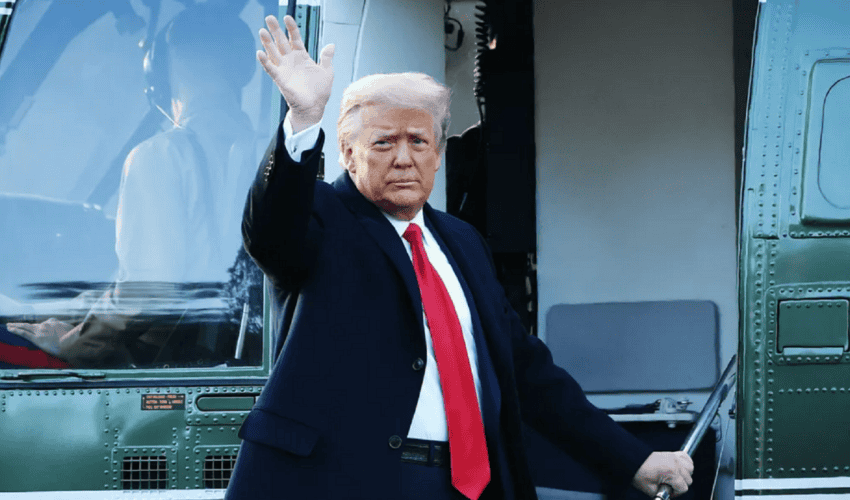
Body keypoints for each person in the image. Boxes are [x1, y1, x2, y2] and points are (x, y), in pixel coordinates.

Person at [226, 15, 694, 500]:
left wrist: (633, 459)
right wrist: (303, 119)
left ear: (438, 155)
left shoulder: (462, 242)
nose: (403, 158)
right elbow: (272, 232)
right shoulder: (322, 216)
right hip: (349, 484)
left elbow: (529, 374)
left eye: (418, 141)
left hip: (465, 487)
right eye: (383, 142)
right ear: (347, 153)